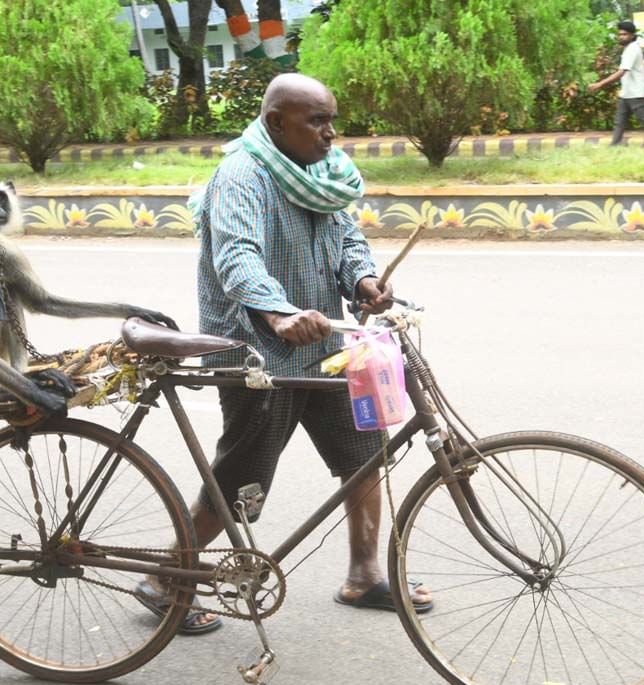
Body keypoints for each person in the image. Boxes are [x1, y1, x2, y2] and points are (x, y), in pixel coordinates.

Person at [133, 73, 433, 634]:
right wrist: (277, 313)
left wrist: (364, 280)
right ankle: (165, 575)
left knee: (364, 453)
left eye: (330, 119)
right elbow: (237, 257)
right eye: (316, 121)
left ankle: (365, 574)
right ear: (277, 123)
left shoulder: (321, 173)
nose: (330, 133)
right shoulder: (243, 176)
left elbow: (346, 240)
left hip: (323, 343)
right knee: (243, 479)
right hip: (256, 352)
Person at [589, 20, 644, 148]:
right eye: (620, 34)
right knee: (619, 122)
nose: (621, 37)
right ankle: (613, 146)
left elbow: (621, 72)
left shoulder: (632, 50)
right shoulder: (630, 49)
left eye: (625, 34)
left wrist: (600, 84)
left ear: (632, 35)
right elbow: (643, 71)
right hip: (627, 93)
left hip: (635, 94)